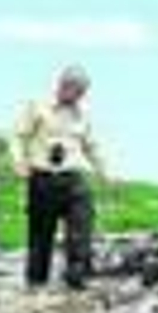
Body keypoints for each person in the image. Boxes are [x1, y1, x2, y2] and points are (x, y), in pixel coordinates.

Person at [10, 64, 109, 290]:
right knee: (41, 236)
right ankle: (36, 284)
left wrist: (104, 171)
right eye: (76, 89)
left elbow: (91, 146)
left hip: (73, 177)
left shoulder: (83, 115)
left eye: (83, 91)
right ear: (63, 85)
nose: (79, 95)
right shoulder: (37, 107)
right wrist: (19, 162)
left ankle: (76, 280)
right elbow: (18, 136)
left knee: (81, 228)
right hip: (43, 177)